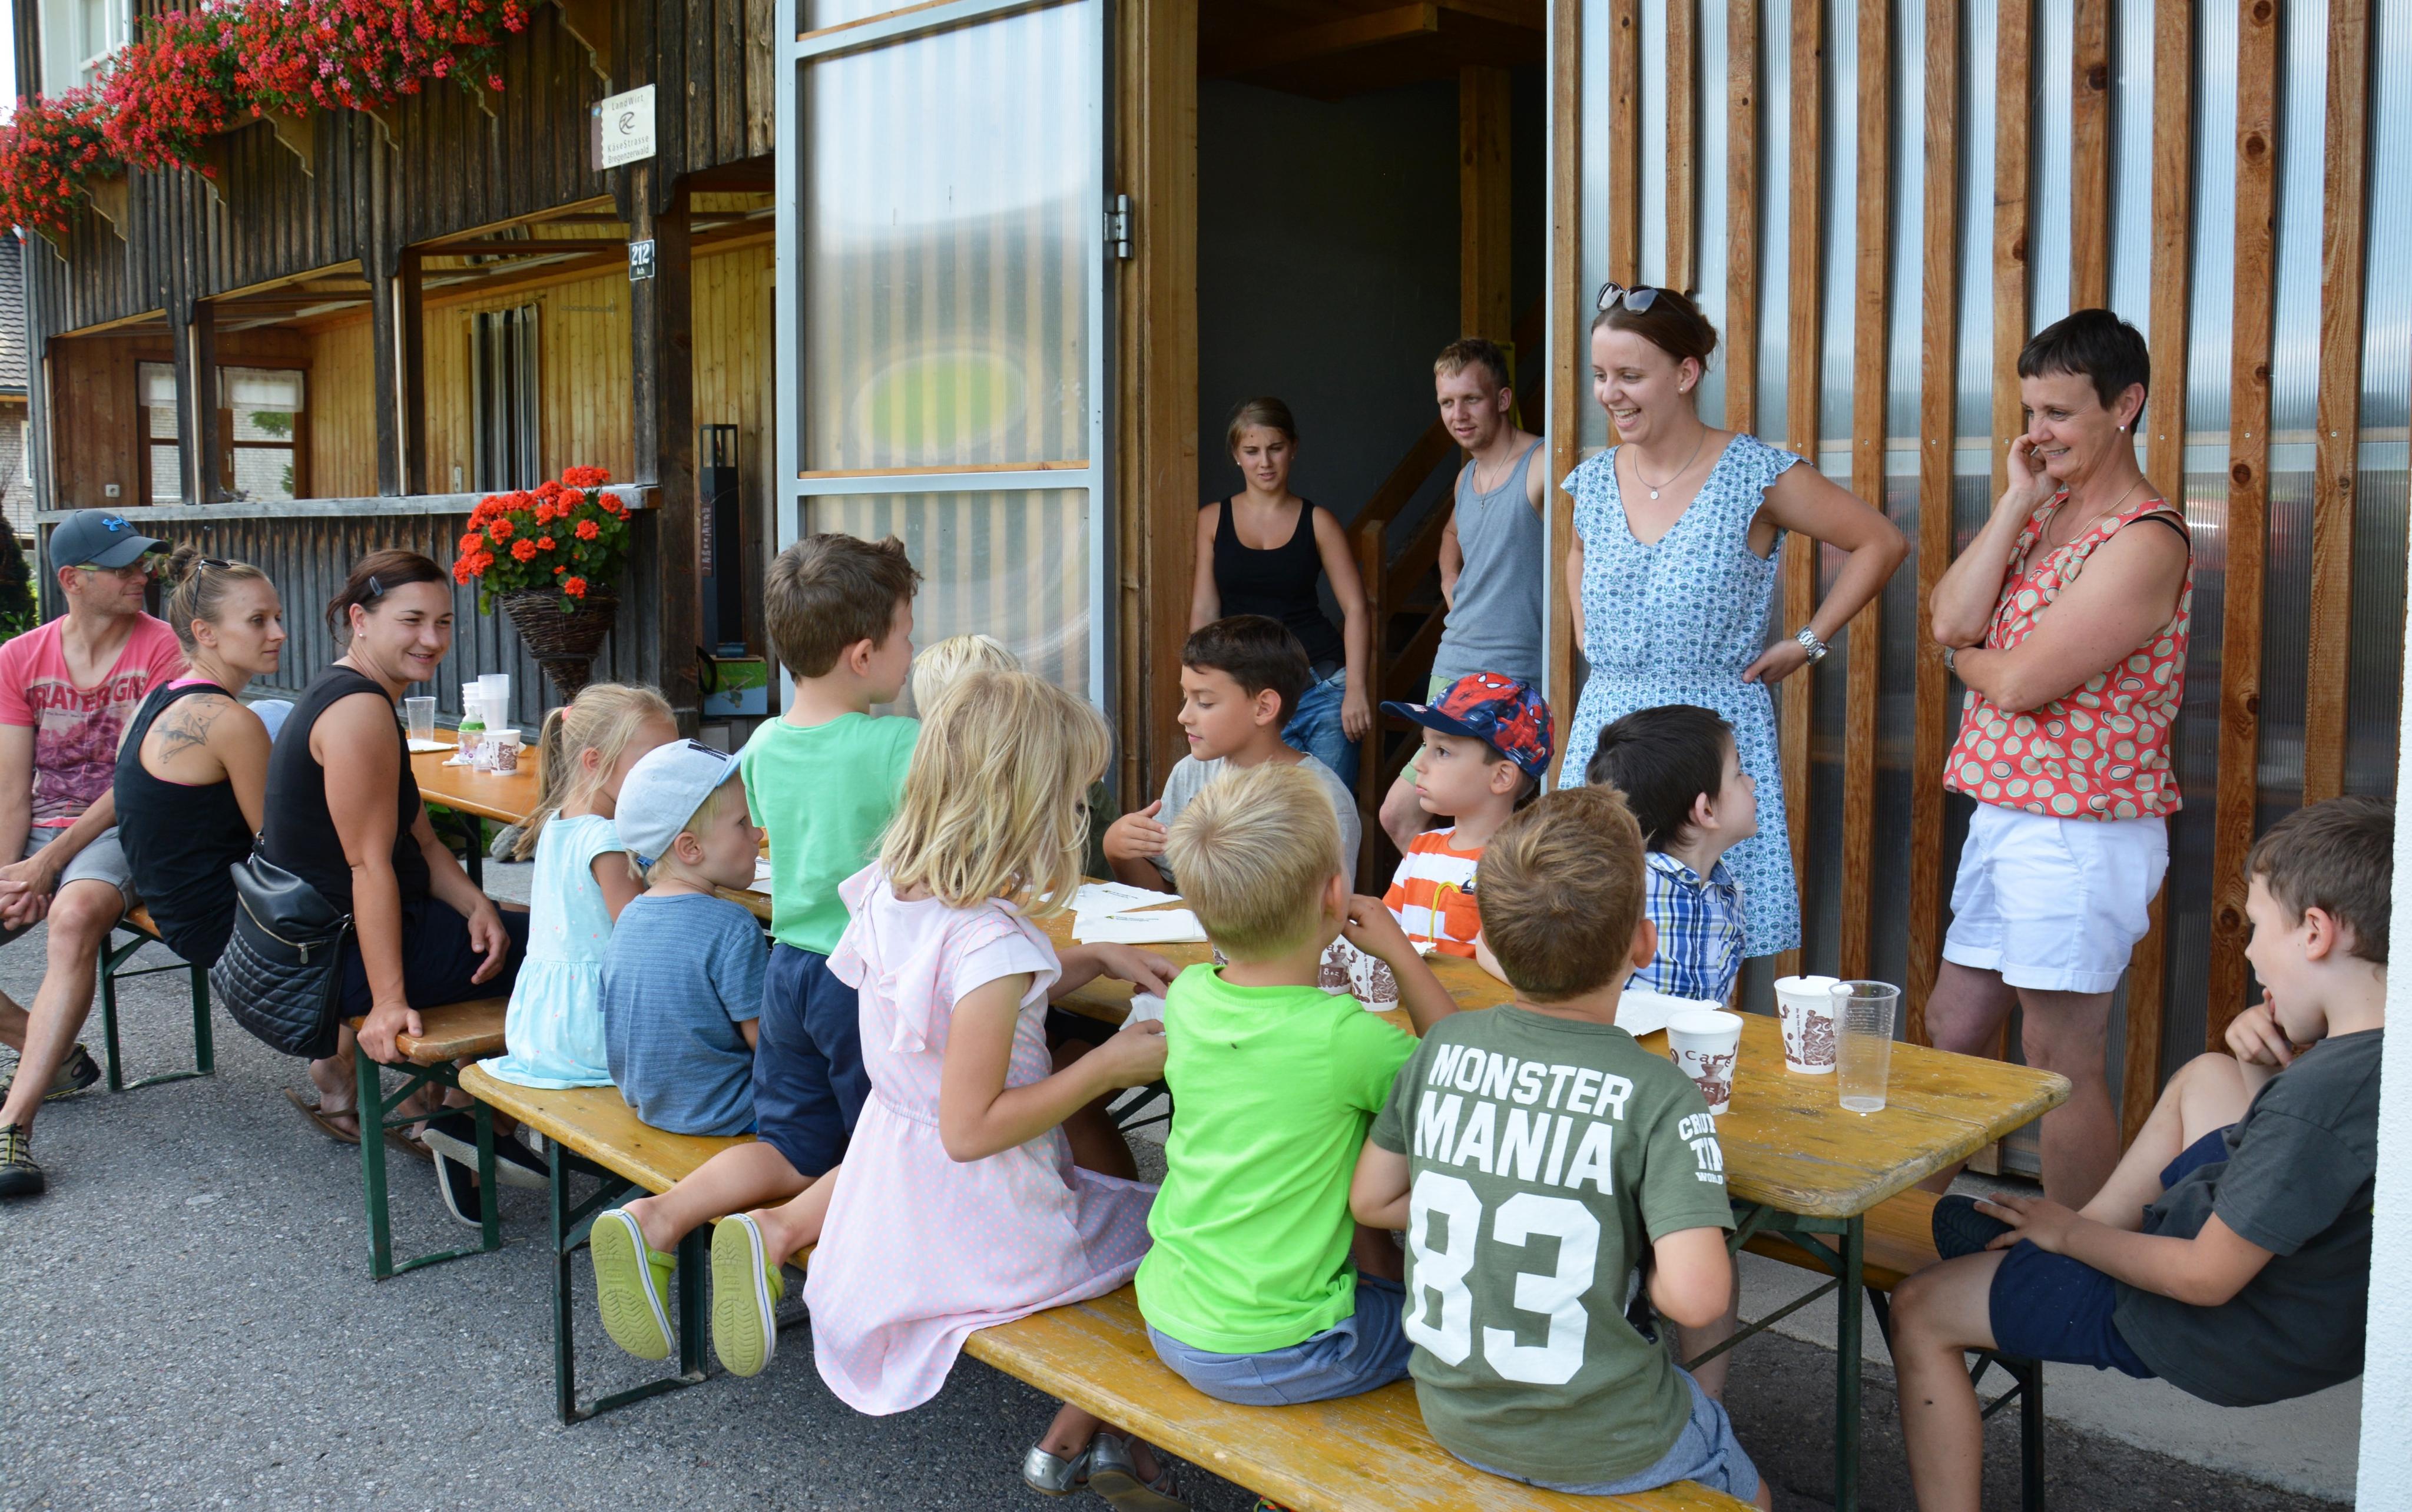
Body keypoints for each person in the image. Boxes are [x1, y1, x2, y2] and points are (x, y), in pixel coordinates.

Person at [711, 671, 1175, 1511]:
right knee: (1180, 1232)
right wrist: (1104, 1067)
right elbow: (972, 1128)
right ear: (1028, 806)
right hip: (985, 1222)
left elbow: (960, 999)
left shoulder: (889, 887)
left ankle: (1102, 1436)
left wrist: (1095, 959)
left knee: (1134, 1207)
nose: (1079, 814)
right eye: (1074, 797)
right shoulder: (991, 942)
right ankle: (1100, 1426)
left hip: (896, 1194)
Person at [1891, 797, 2388, 1512]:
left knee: (1921, 1305)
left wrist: (2069, 1233)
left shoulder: (2314, 1102)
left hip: (2220, 1326)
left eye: (2257, 929)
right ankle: (2082, 1237)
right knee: (2211, 1074)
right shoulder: (2374, 1054)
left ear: (2315, 932)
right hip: (2309, 1309)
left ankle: (2070, 1245)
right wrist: (2267, 1048)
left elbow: (2205, 1278)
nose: (2250, 954)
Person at [1351, 784, 1768, 1508]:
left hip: (1454, 1413)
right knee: (1751, 1495)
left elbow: (1372, 1199)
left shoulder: (1443, 1044)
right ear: (1643, 942)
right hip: (1607, 1435)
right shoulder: (1661, 1094)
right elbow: (1697, 1299)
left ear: (1489, 940)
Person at [580, 535, 920, 1353]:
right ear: (864, 654)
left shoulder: (763, 744)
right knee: (894, 1139)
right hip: (865, 976)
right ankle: (789, 1242)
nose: (914, 652)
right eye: (908, 636)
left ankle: (662, 1216)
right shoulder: (901, 747)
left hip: (792, 968)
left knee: (792, 1143)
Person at [1923, 308, 2192, 1207]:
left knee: (2060, 1055)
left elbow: (2017, 683)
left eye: (2060, 414)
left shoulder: (2145, 538)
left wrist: (1970, 665)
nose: (2038, 433)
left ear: (2126, 405)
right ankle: (1897, 1230)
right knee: (1954, 1023)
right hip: (2009, 814)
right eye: (2031, 412)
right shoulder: (2048, 514)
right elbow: (1951, 617)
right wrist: (2015, 501)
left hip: (2082, 830)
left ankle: (2079, 1258)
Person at [1562, 284, 1904, 968]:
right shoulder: (1592, 480)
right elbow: (1576, 551)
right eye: (1600, 375)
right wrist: (1586, 633)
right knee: (1594, 929)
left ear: (1685, 373)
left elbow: (1880, 541)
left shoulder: (1753, 473)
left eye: (1629, 375)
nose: (1609, 394)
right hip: (1607, 729)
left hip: (1708, 739)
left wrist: (1807, 643)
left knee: (1707, 939)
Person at [1138, 762, 1453, 1418]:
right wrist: (1401, 953)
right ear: (1335, 894)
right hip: (1278, 1349)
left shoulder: (1189, 995)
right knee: (1450, 1325)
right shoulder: (1343, 1039)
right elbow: (1460, 1072)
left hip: (1169, 1310)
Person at [256, 550, 538, 1184]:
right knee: (568, 952)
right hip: (337, 961)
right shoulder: (358, 711)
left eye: (443, 622)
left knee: (516, 925)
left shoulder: (356, 693)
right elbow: (368, 867)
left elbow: (426, 846)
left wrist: (477, 905)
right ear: (360, 619)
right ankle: (475, 1121)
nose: (431, 639)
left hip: (328, 941)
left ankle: (455, 1112)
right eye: (411, 621)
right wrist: (388, 1003)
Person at [0, 511, 189, 1198]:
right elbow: (13, 787)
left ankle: (13, 1126)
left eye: (143, 562)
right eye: (123, 567)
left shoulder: (163, 649)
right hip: (40, 827)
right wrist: (11, 875)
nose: (142, 575)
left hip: (123, 829)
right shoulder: (20, 658)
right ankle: (47, 1053)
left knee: (75, 915)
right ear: (72, 580)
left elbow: (133, 782)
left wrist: (49, 864)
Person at [1378, 339, 1551, 853]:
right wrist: (1450, 581)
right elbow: (1452, 534)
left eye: (1471, 399)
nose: (1458, 415)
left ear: (1502, 399)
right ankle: (1453, 903)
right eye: (1447, 403)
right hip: (1452, 665)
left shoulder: (1542, 463)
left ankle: (1484, 905)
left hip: (1512, 673)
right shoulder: (1465, 476)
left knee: (1496, 827)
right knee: (1402, 817)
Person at [482, 683, 675, 1090]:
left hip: (541, 1025)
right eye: (652, 762)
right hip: (594, 1031)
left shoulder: (557, 822)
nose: (667, 775)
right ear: (594, 762)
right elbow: (641, 937)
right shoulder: (606, 839)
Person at [112, 551, 286, 975]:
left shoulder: (157, 699)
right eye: (258, 621)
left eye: (277, 618)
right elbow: (281, 846)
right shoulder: (231, 721)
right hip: (225, 922)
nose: (279, 633)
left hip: (176, 911)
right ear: (204, 632)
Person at [1102, 615, 1362, 891]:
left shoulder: (1324, 801)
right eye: (1186, 697)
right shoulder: (1190, 773)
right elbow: (1168, 892)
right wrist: (1118, 852)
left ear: (1264, 708)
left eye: (1205, 702)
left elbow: (1328, 909)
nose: (1183, 716)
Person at [1191, 397, 1372, 787]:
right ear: (1236, 455)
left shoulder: (1319, 521)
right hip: (1248, 694)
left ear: (1293, 448)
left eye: (1275, 448)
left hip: (1322, 688)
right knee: (1254, 811)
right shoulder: (1212, 520)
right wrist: (1199, 689)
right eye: (1252, 451)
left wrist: (1356, 689)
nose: (1265, 462)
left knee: (1328, 811)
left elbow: (1357, 608)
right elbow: (1205, 610)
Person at [599, 743, 768, 1135]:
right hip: (731, 1111)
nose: (758, 834)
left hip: (651, 1105)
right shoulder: (732, 926)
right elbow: (768, 1045)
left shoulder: (629, 918)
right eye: (742, 822)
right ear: (691, 848)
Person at [1586, 704, 1755, 1004]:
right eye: (1738, 773)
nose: (1751, 783)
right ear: (1706, 811)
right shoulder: (1622, 887)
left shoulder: (1724, 890)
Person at [1376, 672, 1552, 961]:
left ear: (1502, 777)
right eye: (1424, 745)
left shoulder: (1525, 867)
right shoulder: (1420, 850)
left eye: (1442, 752)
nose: (1419, 764)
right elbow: (1385, 941)